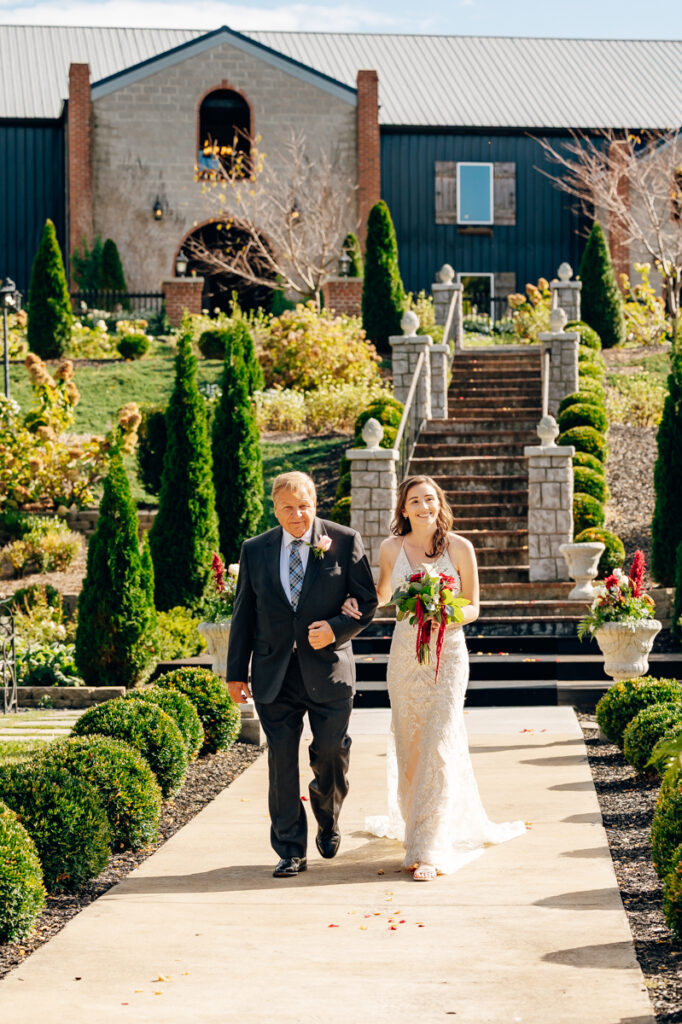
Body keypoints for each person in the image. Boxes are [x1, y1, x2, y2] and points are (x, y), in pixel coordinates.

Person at [343, 474, 525, 881]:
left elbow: (474, 606)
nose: (424, 507)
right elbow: (384, 595)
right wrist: (357, 599)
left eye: (430, 499)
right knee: (410, 741)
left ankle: (429, 847)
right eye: (415, 501)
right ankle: (414, 822)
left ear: (440, 504)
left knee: (439, 743)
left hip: (449, 655)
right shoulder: (391, 548)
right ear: (403, 510)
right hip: (406, 656)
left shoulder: (460, 547)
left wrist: (444, 612)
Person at [227, 471, 378, 878]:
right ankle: (290, 849)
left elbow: (367, 601)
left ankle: (327, 815)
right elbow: (243, 615)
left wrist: (335, 628)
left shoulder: (343, 541)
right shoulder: (256, 550)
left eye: (305, 505)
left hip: (329, 670)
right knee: (281, 762)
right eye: (288, 507)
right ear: (275, 509)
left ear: (315, 503)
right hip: (274, 673)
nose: (298, 515)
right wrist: (235, 673)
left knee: (330, 753)